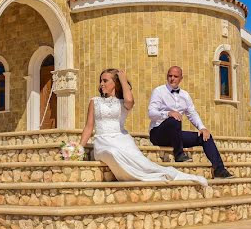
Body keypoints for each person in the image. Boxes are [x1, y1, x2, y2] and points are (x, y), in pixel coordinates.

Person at [79, 68, 209, 188]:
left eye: (105, 80)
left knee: (145, 164)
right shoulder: (94, 101)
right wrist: (79, 148)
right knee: (112, 152)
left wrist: (123, 80)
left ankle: (175, 175)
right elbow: (88, 127)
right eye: (101, 80)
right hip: (102, 142)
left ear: (115, 83)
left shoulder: (123, 103)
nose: (101, 83)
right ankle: (141, 177)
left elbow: (130, 101)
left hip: (123, 140)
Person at [148, 66, 234, 178]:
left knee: (205, 136)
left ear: (181, 79)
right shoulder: (159, 91)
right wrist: (167, 114)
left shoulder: (185, 95)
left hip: (175, 136)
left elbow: (192, 113)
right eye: (170, 76)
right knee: (175, 119)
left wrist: (202, 127)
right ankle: (179, 155)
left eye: (175, 76)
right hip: (158, 133)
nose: (172, 79)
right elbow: (151, 113)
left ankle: (219, 170)